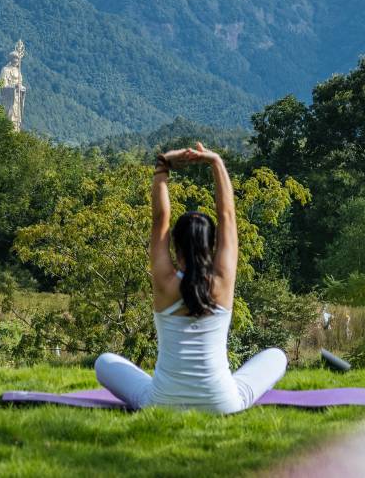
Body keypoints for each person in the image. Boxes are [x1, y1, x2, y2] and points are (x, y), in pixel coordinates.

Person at [94, 143, 288, 414]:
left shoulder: (165, 282)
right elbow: (227, 215)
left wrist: (163, 164)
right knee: (276, 356)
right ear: (212, 245)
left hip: (161, 403)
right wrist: (216, 161)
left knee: (104, 362)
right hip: (222, 403)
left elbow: (160, 217)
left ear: (175, 245)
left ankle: (170, 387)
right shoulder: (222, 280)